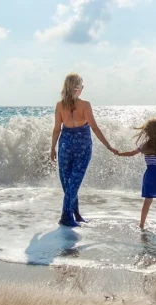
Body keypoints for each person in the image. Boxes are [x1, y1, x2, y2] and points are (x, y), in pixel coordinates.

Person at [50, 73, 116, 227]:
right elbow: (94, 127)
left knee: (70, 182)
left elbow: (56, 129)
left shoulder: (60, 105)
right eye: (82, 85)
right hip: (81, 145)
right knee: (72, 182)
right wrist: (108, 145)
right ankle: (66, 216)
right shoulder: (85, 105)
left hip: (66, 144)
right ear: (77, 88)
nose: (83, 88)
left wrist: (53, 148)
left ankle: (75, 213)